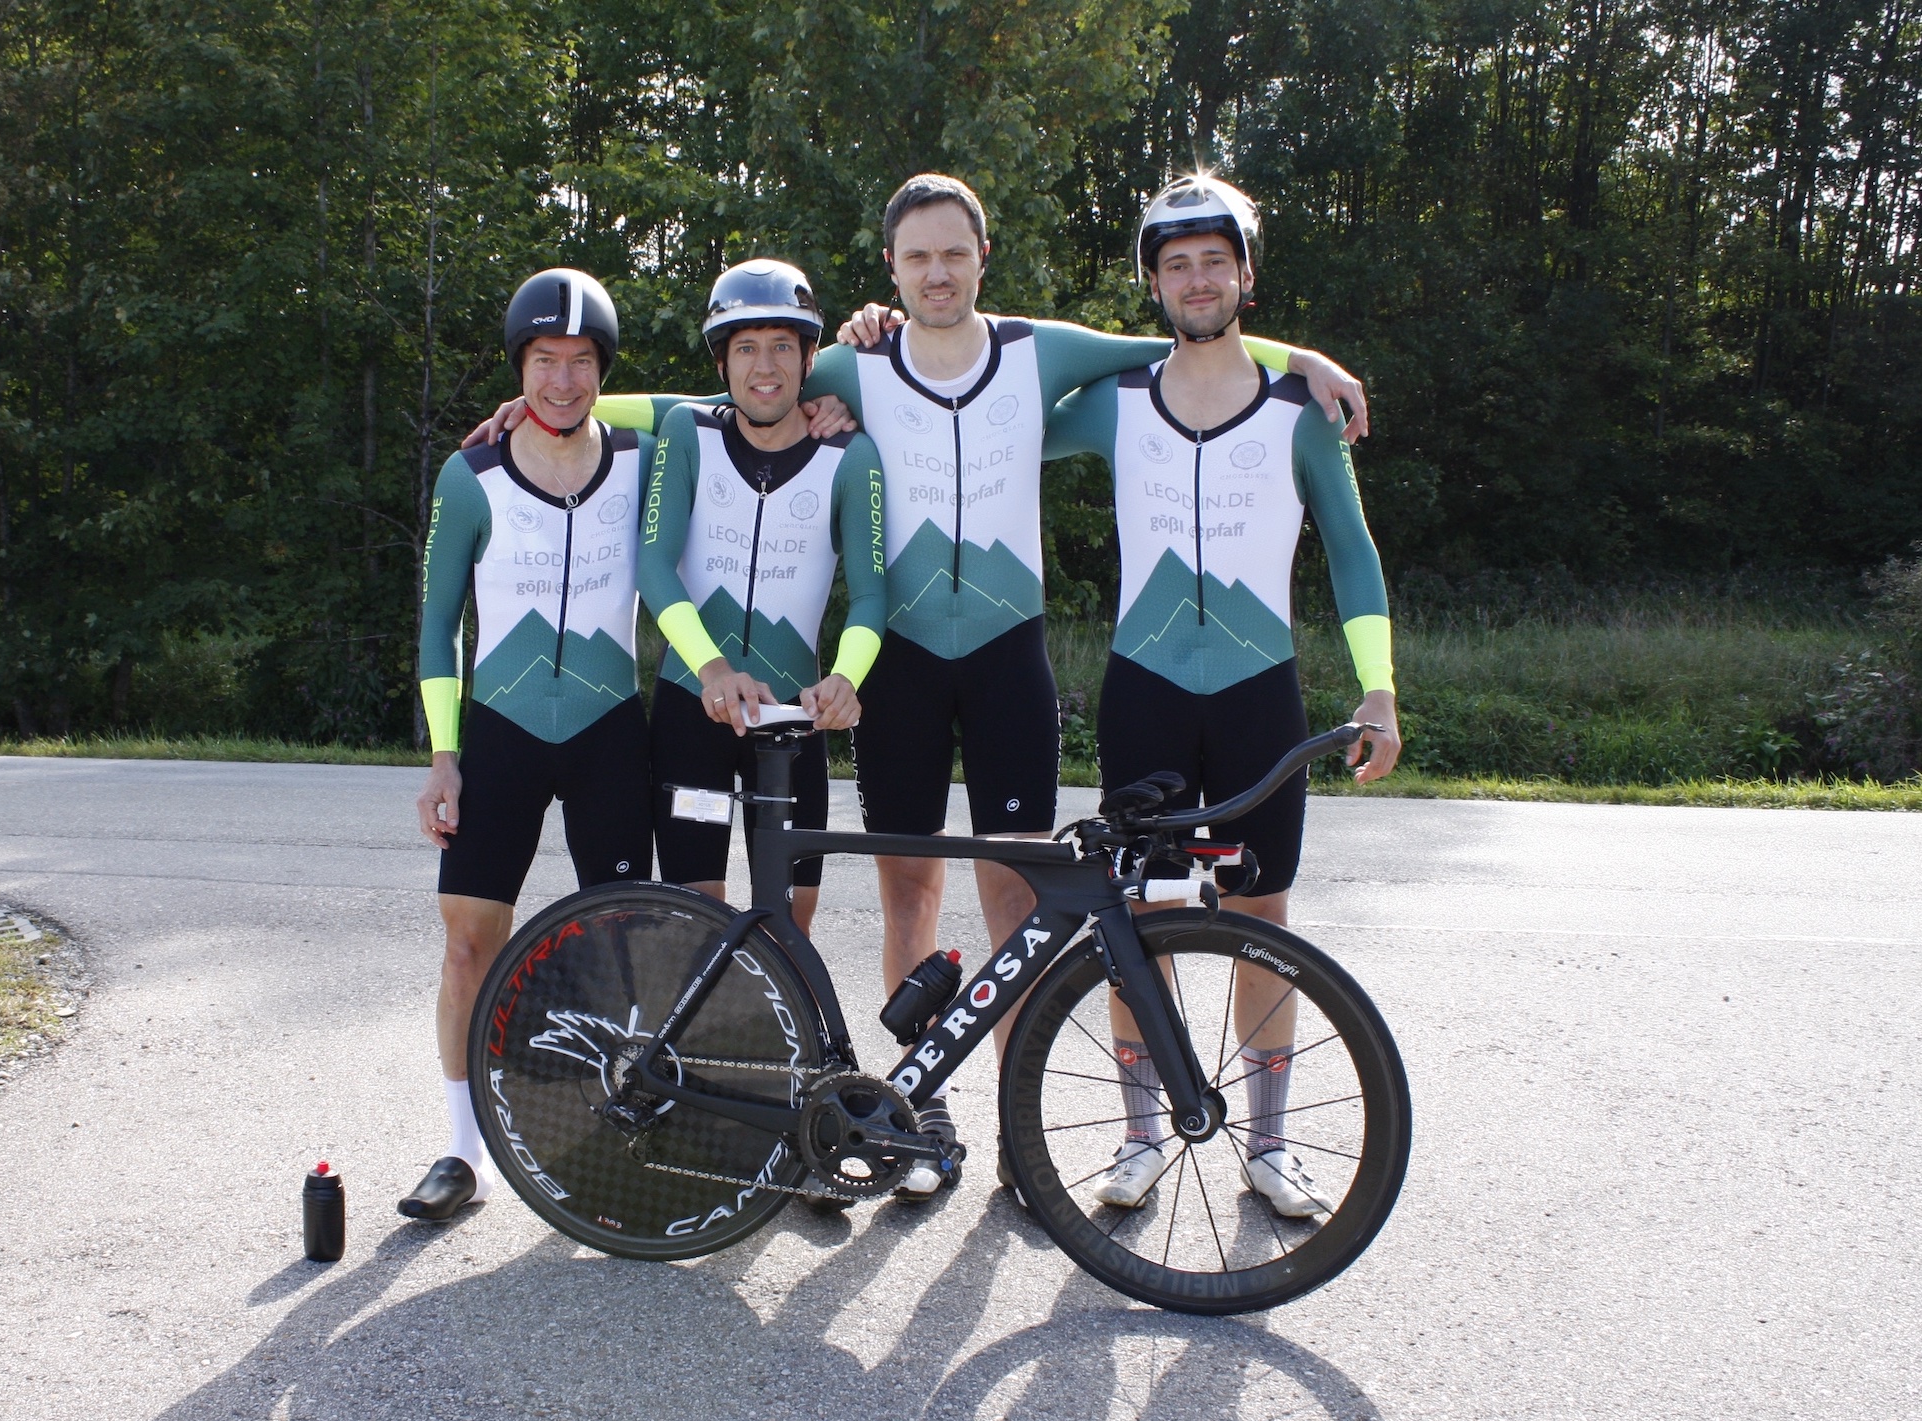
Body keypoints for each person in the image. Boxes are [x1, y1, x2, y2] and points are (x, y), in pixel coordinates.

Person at [463, 173, 1369, 1203]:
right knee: (906, 889)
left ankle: (1020, 1138)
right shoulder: (851, 356)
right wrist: (550, 409)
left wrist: (1303, 359)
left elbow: (1188, 342)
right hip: (897, 665)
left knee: (1019, 895)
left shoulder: (1042, 350)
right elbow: (707, 400)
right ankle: (919, 1111)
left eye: (954, 253)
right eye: (916, 257)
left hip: (1006, 658)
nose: (937, 272)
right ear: (890, 269)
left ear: (984, 258)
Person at [1042, 174, 1401, 1215]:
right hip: (1144, 692)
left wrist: (1377, 689)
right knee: (1139, 918)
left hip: (1256, 692)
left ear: (1245, 273)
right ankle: (1142, 1130)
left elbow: (1353, 551)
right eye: (1175, 263)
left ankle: (1272, 1142)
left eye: (1215, 260)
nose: (1196, 279)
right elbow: (988, 407)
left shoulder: (1303, 411)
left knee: (1260, 915)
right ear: (1153, 282)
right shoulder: (1113, 404)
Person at [402, 267, 656, 1221]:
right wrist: (442, 754)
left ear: (603, 370)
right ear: (520, 367)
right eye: (543, 362)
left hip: (606, 731)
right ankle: (461, 1152)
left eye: (581, 362)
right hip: (499, 731)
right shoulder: (469, 477)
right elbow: (437, 631)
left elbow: (733, 397)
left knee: (620, 943)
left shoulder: (641, 458)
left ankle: (612, 1127)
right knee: (470, 947)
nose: (561, 380)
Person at [640, 261, 887, 929]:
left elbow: (869, 595)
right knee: (694, 922)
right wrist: (711, 669)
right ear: (721, 363)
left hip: (793, 722)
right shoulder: (688, 433)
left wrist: (845, 677)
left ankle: (778, 1038)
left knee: (787, 931)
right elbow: (654, 565)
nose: (764, 366)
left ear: (810, 359)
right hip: (693, 710)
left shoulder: (850, 455)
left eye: (782, 344)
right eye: (745, 347)